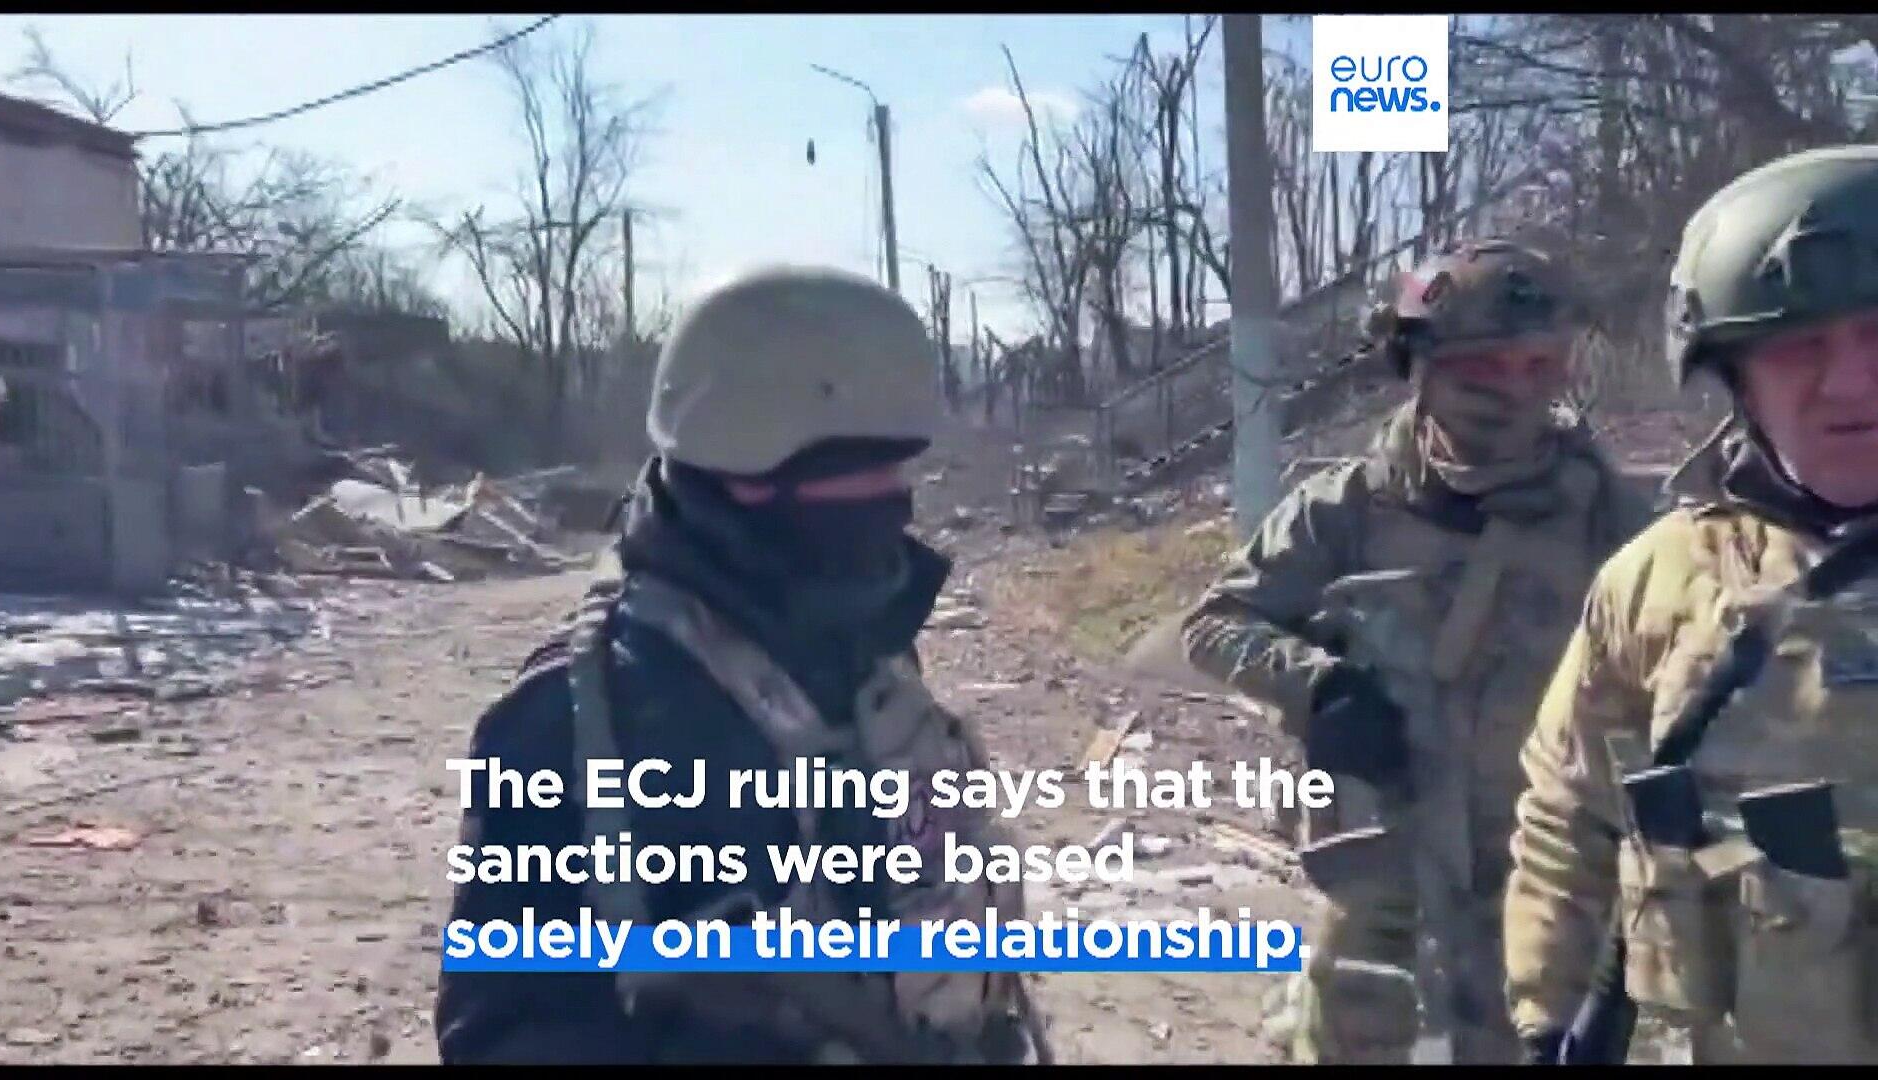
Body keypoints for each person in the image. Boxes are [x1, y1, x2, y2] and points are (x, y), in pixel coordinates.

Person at [435, 265, 1045, 1064]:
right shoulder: (575, 718)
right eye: (862, 468)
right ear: (747, 470)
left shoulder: (866, 643)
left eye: (900, 467)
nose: (893, 500)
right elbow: (502, 1032)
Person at [1178, 238, 1657, 1064]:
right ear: (1422, 368)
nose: (1514, 390)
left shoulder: (1611, 521)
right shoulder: (1344, 509)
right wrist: (1321, 687)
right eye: (1484, 368)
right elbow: (1217, 624)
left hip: (1548, 893)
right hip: (1385, 887)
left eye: (1538, 366)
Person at [1505, 144, 1878, 1064]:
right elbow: (1568, 822)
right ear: (1735, 376)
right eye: (1799, 346)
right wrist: (1546, 1024)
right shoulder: (1659, 583)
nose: (1850, 382)